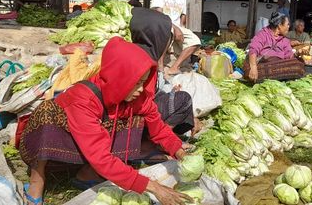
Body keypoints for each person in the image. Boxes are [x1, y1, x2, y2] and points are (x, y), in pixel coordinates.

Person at [20, 37, 192, 205]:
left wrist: (180, 153)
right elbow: (100, 157)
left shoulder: (138, 97)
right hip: (58, 138)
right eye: (136, 82)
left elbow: (159, 129)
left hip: (90, 142)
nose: (141, 89)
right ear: (120, 77)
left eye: (143, 82)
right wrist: (154, 187)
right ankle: (37, 179)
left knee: (134, 120)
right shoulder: (83, 99)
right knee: (46, 113)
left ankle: (87, 173)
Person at [130, 7, 198, 135]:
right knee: (184, 99)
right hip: (135, 115)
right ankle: (159, 138)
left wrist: (170, 91)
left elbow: (154, 90)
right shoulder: (145, 61)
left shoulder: (139, 52)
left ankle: (163, 136)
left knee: (176, 96)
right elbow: (146, 99)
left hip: (141, 109)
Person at [151, 0, 201, 75]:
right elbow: (160, 15)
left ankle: (174, 67)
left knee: (195, 41)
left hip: (176, 26)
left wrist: (182, 27)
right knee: (168, 31)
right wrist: (176, 28)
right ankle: (160, 65)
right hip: (161, 24)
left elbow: (183, 14)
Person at [245, 12, 305, 82]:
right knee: (249, 69)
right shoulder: (263, 34)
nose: (289, 27)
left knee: (299, 63)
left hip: (277, 67)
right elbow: (253, 49)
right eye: (287, 24)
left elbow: (289, 57)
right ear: (279, 26)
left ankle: (274, 77)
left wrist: (297, 54)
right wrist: (253, 67)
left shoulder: (285, 40)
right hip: (261, 65)